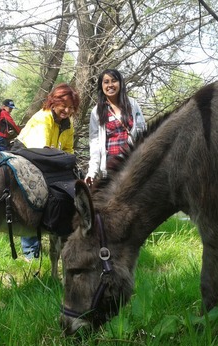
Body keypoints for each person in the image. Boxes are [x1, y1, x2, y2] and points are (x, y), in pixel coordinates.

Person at [14, 83, 80, 260]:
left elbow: (69, 149)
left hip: (51, 158)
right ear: (53, 102)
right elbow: (42, 149)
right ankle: (30, 251)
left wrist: (69, 162)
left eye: (71, 107)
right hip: (27, 154)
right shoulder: (43, 118)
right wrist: (63, 158)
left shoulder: (68, 123)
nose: (66, 110)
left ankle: (58, 233)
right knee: (33, 195)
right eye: (63, 106)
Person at [85, 69, 146, 187]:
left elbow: (142, 131)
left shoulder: (132, 104)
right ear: (101, 86)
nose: (110, 85)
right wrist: (92, 172)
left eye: (114, 81)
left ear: (120, 83)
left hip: (131, 159)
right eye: (106, 82)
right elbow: (95, 144)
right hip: (111, 164)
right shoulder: (97, 111)